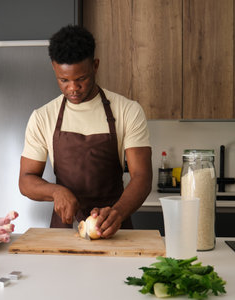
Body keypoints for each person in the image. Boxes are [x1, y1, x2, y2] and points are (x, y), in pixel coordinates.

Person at [19, 25, 152, 239]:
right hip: (64, 233)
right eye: (64, 80)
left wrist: (117, 213)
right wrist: (56, 191)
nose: (72, 88)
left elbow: (142, 177)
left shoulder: (127, 110)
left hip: (115, 229)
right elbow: (26, 180)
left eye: (81, 79)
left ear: (95, 66)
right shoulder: (43, 117)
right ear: (54, 69)